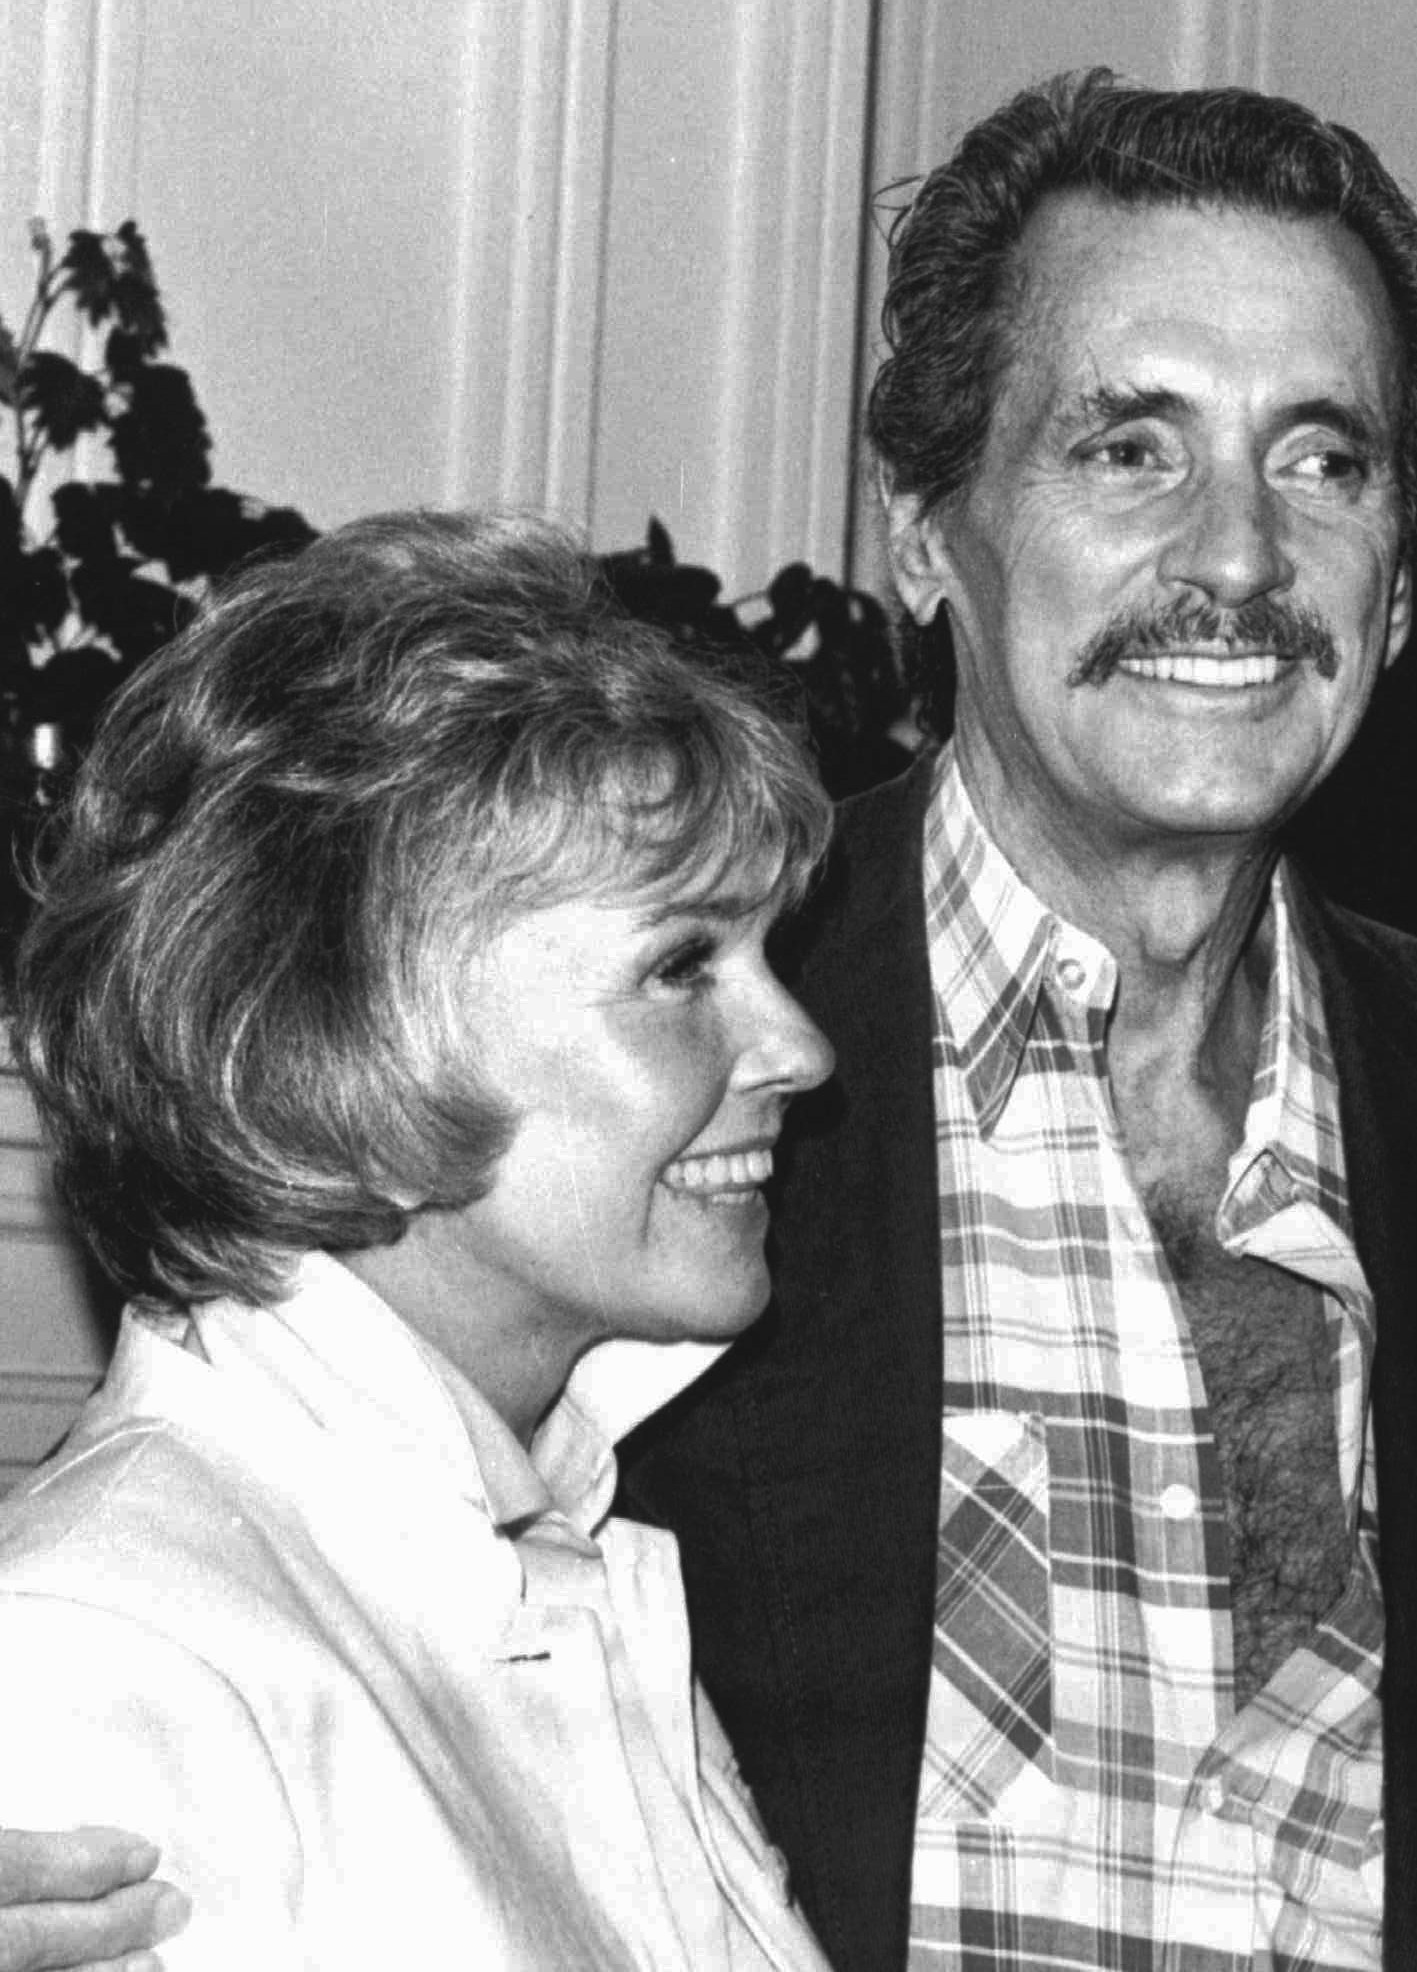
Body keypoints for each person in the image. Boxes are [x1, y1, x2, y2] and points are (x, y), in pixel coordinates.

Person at [8, 68, 1417, 1972]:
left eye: (1323, 460)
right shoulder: (635, 1078)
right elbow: (239, 1522)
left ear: (1400, 580)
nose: (1238, 555)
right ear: (927, 534)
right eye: (1128, 448)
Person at [0, 509, 838, 1970]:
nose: (803, 1047)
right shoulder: (103, 1655)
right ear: (346, 1044)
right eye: (680, 964)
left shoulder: (549, 1560)